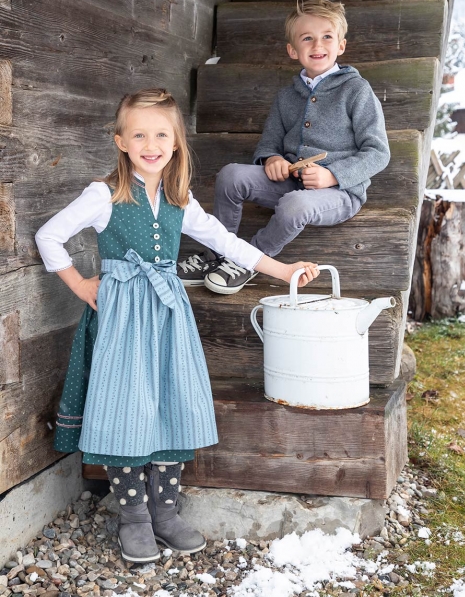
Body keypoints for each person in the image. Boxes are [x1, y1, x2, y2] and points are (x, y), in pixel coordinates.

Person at [35, 88, 319, 563]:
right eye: (140, 134)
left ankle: (165, 512)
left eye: (161, 134)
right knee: (126, 407)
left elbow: (228, 243)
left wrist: (285, 271)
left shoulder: (178, 199)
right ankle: (134, 518)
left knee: (172, 400)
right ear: (121, 141)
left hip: (168, 315)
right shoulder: (103, 195)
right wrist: (82, 285)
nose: (151, 143)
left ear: (176, 142)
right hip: (122, 317)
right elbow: (50, 236)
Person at [178, 0, 390, 294]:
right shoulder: (286, 97)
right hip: (291, 182)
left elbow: (378, 153)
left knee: (295, 204)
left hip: (340, 194)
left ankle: (249, 260)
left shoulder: (356, 90)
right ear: (293, 50)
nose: (318, 45)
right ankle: (217, 253)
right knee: (230, 175)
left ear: (341, 45)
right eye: (307, 38)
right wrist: (271, 159)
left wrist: (333, 176)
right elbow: (269, 143)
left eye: (327, 37)